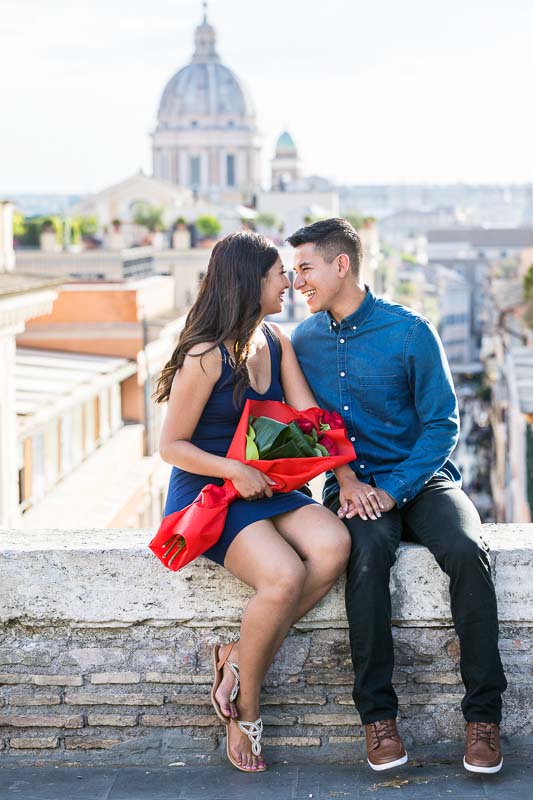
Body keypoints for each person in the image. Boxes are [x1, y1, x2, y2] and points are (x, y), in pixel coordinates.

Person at [288, 218, 507, 774]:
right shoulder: (304, 339)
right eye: (292, 273)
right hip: (353, 487)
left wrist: (393, 489)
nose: (298, 283)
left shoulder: (411, 332)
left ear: (342, 265)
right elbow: (311, 426)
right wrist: (352, 481)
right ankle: (378, 720)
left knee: (466, 549)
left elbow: (443, 425)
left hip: (423, 480)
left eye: (306, 269)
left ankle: (484, 720)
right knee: (364, 558)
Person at [155, 231, 351, 774]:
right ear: (250, 282)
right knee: (284, 575)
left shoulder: (276, 339)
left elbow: (314, 422)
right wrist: (233, 469)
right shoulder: (202, 355)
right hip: (212, 492)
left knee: (335, 544)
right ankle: (246, 707)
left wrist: (349, 479)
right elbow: (171, 446)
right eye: (278, 275)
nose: (288, 282)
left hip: (269, 485)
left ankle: (237, 657)